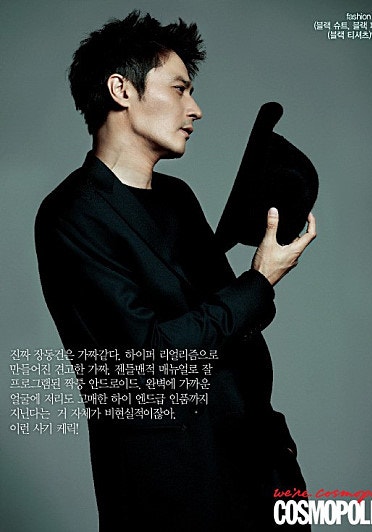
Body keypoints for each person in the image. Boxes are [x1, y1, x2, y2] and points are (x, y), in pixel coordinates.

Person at [35, 10, 316, 532]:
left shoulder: (177, 198)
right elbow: (150, 361)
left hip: (261, 470)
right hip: (175, 491)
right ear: (121, 90)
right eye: (180, 89)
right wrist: (258, 281)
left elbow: (238, 323)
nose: (196, 109)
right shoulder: (71, 215)